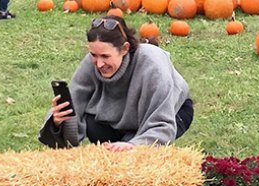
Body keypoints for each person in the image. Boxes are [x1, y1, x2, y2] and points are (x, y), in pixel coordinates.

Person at [40, 17, 193, 150]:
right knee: (93, 126)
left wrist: (135, 146)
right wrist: (58, 122)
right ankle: (121, 144)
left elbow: (162, 123)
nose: (99, 64)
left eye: (105, 56)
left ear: (125, 49)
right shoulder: (91, 62)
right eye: (94, 55)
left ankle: (129, 142)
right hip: (122, 117)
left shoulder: (153, 65)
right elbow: (75, 104)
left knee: (133, 157)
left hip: (172, 113)